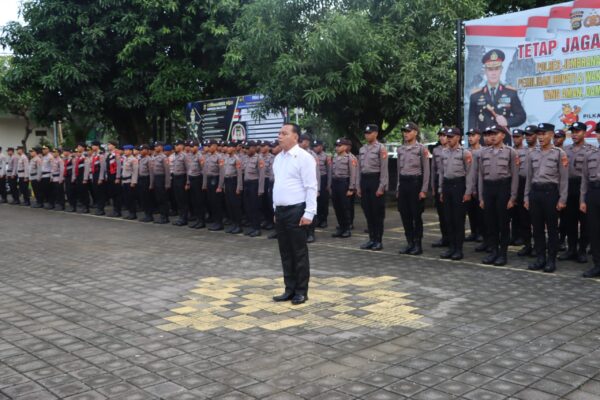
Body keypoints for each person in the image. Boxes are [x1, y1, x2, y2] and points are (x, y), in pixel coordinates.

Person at [272, 123, 318, 305]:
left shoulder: (304, 158)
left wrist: (309, 213)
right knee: (285, 252)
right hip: (281, 211)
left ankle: (301, 291)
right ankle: (289, 289)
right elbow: (278, 186)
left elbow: (311, 187)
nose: (279, 136)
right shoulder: (279, 159)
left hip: (297, 210)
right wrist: (275, 208)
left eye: (284, 133)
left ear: (295, 137)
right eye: (279, 133)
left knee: (298, 252)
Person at [525, 123, 568, 273]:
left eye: (544, 134)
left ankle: (551, 260)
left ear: (551, 135)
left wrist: (562, 199)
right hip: (535, 193)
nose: (541, 137)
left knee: (552, 229)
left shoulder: (559, 153)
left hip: (551, 194)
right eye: (539, 134)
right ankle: (540, 258)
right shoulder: (532, 154)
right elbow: (529, 178)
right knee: (537, 228)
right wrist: (526, 197)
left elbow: (564, 179)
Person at [478, 125, 519, 266]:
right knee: (490, 223)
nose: (492, 136)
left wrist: (513, 197)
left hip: (503, 188)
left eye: (495, 133)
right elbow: (480, 176)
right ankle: (493, 252)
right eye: (490, 134)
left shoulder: (510, 152)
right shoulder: (484, 153)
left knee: (503, 223)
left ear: (503, 135)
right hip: (489, 189)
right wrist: (481, 197)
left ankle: (503, 254)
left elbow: (515, 176)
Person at [468, 49, 526, 143]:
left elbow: (521, 116)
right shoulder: (475, 95)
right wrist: (473, 146)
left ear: (501, 70)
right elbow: (472, 123)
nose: (493, 73)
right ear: (485, 71)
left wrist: (507, 121)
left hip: (503, 143)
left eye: (496, 69)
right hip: (483, 144)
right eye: (490, 69)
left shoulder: (510, 93)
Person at [439, 127, 473, 260]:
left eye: (451, 136)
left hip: (459, 186)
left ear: (458, 137)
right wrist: (441, 190)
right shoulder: (444, 152)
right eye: (447, 136)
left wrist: (468, 191)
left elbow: (470, 174)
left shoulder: (465, 153)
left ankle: (458, 249)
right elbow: (441, 173)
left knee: (458, 219)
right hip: (447, 186)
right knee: (448, 218)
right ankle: (451, 247)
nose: (448, 139)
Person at [396, 122, 430, 255]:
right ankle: (409, 242)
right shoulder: (400, 149)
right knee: (405, 214)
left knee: (416, 215)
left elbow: (426, 170)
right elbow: (399, 170)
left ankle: (418, 244)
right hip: (404, 183)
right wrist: (398, 187)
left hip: (415, 183)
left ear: (415, 132)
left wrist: (424, 189)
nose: (406, 133)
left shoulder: (421, 149)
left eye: (408, 131)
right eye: (404, 131)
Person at [560, 122, 591, 263]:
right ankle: (571, 249)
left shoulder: (591, 150)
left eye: (577, 131)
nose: (574, 134)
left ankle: (582, 250)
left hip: (584, 187)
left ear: (584, 133)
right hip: (568, 186)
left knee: (584, 221)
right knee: (569, 220)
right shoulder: (564, 150)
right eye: (572, 132)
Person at [358, 124, 388, 251]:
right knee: (368, 211)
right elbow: (359, 169)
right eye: (365, 133)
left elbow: (384, 169)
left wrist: (382, 186)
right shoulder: (362, 149)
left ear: (375, 134)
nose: (367, 135)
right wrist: (358, 186)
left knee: (377, 213)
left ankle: (378, 240)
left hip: (376, 180)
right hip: (365, 181)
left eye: (369, 133)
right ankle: (371, 239)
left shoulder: (381, 148)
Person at [580, 141, 600, 277]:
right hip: (593, 192)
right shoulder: (590, 155)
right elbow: (584, 179)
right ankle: (598, 265)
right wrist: (582, 200)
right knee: (594, 230)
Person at [511, 128, 533, 256]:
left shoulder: (529, 151)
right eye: (514, 137)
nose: (515, 139)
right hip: (516, 182)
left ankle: (532, 243)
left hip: (528, 183)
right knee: (516, 213)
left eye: (518, 137)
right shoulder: (511, 151)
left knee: (530, 215)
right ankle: (522, 240)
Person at [330, 138, 357, 238]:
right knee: (337, 207)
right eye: (336, 146)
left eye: (339, 145)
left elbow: (353, 174)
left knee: (345, 207)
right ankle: (341, 228)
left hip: (344, 183)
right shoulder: (335, 157)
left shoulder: (350, 158)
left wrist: (351, 188)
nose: (337, 147)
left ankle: (347, 229)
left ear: (345, 147)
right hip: (335, 183)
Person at [465, 128, 485, 243]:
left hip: (479, 185)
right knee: (470, 210)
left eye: (473, 135)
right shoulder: (466, 151)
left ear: (479, 137)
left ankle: (481, 233)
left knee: (480, 211)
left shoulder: (483, 151)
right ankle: (473, 232)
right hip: (468, 185)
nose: (470, 138)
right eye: (469, 135)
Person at [242, 141, 265, 237]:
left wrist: (260, 189)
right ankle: (252, 227)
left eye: (248, 148)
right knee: (249, 207)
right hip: (247, 184)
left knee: (255, 208)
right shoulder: (246, 158)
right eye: (245, 148)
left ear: (254, 148)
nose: (246, 150)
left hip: (254, 184)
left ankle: (257, 228)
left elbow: (262, 175)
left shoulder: (259, 158)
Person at [430, 128, 449, 247]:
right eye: (440, 135)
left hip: (450, 181)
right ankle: (444, 237)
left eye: (444, 135)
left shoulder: (457, 150)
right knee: (441, 213)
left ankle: (453, 238)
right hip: (438, 182)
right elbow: (433, 169)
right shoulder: (436, 150)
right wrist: (432, 186)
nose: (442, 137)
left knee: (451, 213)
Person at [203, 139, 225, 231]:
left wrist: (220, 186)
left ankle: (219, 223)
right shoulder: (207, 156)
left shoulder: (219, 157)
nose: (208, 148)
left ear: (215, 146)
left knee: (217, 203)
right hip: (209, 180)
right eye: (208, 146)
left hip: (215, 180)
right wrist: (204, 184)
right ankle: (215, 221)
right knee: (211, 202)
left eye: (210, 146)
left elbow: (222, 172)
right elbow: (205, 171)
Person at [221, 142, 243, 234]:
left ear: (233, 149)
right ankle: (233, 224)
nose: (227, 149)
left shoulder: (236, 159)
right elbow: (224, 173)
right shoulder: (225, 158)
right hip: (227, 182)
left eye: (230, 147)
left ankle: (238, 225)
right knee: (229, 204)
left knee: (235, 205)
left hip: (234, 182)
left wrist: (239, 187)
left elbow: (239, 175)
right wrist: (224, 186)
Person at [186, 141, 206, 229]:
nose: (191, 148)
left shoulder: (200, 156)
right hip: (192, 179)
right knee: (194, 201)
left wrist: (204, 183)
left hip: (198, 180)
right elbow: (188, 170)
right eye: (190, 146)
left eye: (193, 146)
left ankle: (201, 221)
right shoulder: (190, 156)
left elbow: (203, 170)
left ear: (197, 147)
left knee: (199, 201)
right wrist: (188, 182)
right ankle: (197, 220)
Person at [312, 140, 331, 228]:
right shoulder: (311, 154)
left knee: (323, 201)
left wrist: (328, 184)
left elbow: (329, 171)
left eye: (317, 146)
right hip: (314, 179)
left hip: (323, 179)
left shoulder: (326, 156)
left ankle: (324, 220)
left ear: (321, 147)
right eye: (314, 146)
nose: (315, 148)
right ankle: (317, 219)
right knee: (316, 201)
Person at [150, 142, 171, 224]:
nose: (155, 148)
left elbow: (167, 171)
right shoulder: (155, 157)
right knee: (158, 198)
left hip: (162, 178)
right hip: (156, 178)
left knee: (163, 198)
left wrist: (167, 183)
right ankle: (162, 215)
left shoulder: (164, 157)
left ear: (161, 147)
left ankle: (165, 217)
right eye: (155, 146)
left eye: (157, 146)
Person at [171, 140, 189, 226]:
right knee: (178, 198)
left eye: (177, 145)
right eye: (175, 145)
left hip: (182, 178)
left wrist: (187, 182)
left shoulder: (185, 156)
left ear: (181, 146)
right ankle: (180, 216)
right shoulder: (175, 155)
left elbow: (188, 170)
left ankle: (184, 218)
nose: (176, 146)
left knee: (183, 199)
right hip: (176, 178)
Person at [121, 145, 138, 220]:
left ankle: (133, 213)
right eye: (124, 150)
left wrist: (133, 182)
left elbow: (135, 171)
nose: (125, 151)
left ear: (131, 151)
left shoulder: (133, 159)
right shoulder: (125, 159)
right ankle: (130, 212)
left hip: (130, 181)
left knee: (131, 198)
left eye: (126, 150)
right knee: (126, 198)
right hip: (125, 181)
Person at [105, 141, 122, 217]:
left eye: (110, 145)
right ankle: (115, 210)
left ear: (114, 146)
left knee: (117, 194)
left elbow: (118, 166)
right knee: (112, 193)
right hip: (110, 175)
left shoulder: (117, 154)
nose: (108, 146)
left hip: (115, 175)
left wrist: (118, 177)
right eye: (108, 145)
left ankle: (118, 211)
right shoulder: (109, 155)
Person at [137, 144, 153, 222]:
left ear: (147, 150)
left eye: (142, 149)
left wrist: (151, 184)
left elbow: (151, 173)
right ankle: (146, 214)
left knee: (147, 198)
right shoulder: (140, 159)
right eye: (140, 150)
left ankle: (149, 215)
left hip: (146, 179)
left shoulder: (149, 159)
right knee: (143, 198)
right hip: (141, 179)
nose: (141, 151)